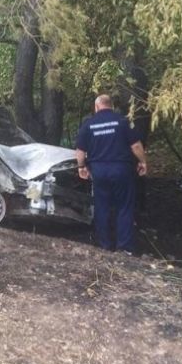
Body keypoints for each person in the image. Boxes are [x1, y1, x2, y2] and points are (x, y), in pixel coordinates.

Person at [75, 94, 147, 254]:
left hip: (99, 171)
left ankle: (105, 245)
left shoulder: (89, 125)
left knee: (102, 206)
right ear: (112, 106)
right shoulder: (122, 121)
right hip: (122, 170)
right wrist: (143, 162)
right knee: (124, 207)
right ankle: (124, 248)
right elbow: (136, 146)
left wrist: (81, 167)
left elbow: (80, 151)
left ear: (96, 107)